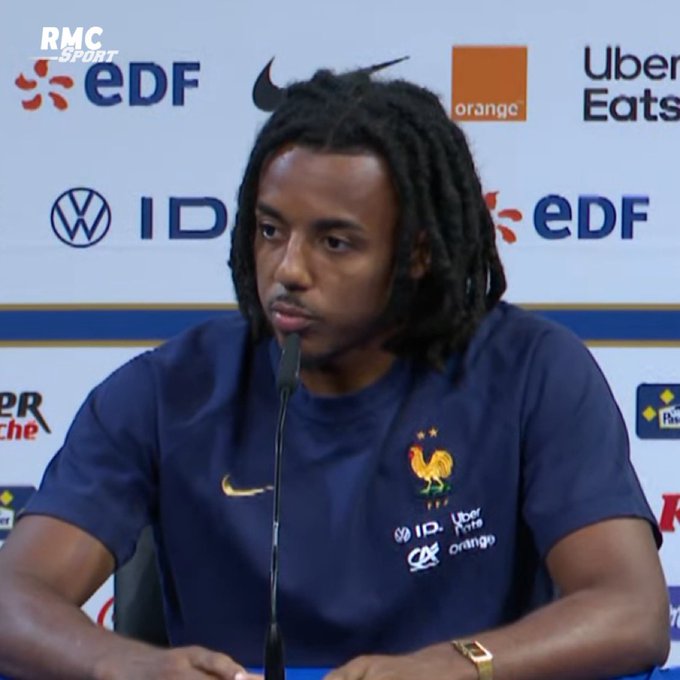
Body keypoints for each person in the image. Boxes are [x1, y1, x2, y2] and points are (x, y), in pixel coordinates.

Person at [0, 68, 670, 680]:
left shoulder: (533, 372)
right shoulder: (166, 391)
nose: (288, 269)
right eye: (270, 231)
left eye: (335, 242)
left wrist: (454, 667)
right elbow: (13, 596)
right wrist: (120, 663)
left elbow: (630, 612)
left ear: (417, 254)